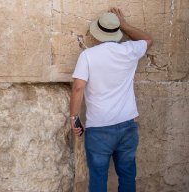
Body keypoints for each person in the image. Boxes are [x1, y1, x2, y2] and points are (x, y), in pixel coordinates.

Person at [70, 8, 153, 192]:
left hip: (99, 128)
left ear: (96, 32)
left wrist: (74, 117)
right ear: (117, 32)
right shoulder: (129, 50)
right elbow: (148, 40)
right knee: (127, 175)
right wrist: (125, 25)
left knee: (98, 178)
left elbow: (78, 87)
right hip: (127, 125)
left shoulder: (88, 56)